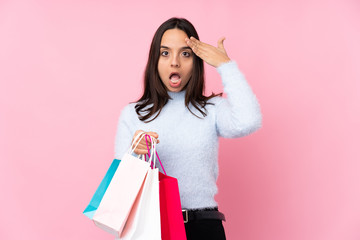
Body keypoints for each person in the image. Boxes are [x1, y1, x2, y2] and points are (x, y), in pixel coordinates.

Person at [114, 17, 262, 240]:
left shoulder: (210, 109)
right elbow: (121, 185)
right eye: (165, 53)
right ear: (155, 60)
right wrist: (134, 152)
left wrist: (226, 66)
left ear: (197, 60)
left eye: (185, 53)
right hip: (152, 228)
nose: (175, 62)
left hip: (204, 228)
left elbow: (248, 120)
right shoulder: (134, 114)